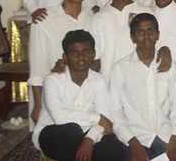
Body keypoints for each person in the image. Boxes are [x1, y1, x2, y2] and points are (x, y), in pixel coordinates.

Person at [33, 30, 125, 161]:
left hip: (88, 131)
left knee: (114, 145)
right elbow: (59, 117)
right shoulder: (52, 80)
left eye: (86, 52)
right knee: (72, 132)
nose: (81, 57)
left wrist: (89, 139)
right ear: (65, 58)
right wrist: (97, 118)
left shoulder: (99, 80)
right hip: (53, 132)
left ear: (93, 54)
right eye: (74, 53)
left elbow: (105, 119)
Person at [110, 13, 176, 161]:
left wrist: (174, 138)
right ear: (132, 37)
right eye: (140, 32)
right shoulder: (120, 69)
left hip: (166, 136)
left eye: (150, 30)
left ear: (157, 34)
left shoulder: (170, 66)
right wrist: (133, 143)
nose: (146, 35)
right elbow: (115, 112)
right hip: (135, 138)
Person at [29, 0, 95, 125]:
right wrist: (38, 104)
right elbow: (37, 68)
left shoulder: (94, 18)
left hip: (88, 93)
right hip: (55, 94)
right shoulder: (44, 20)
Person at [90, 0, 153, 80]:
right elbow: (95, 58)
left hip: (141, 80)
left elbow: (156, 48)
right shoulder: (99, 18)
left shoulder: (146, 12)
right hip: (110, 82)